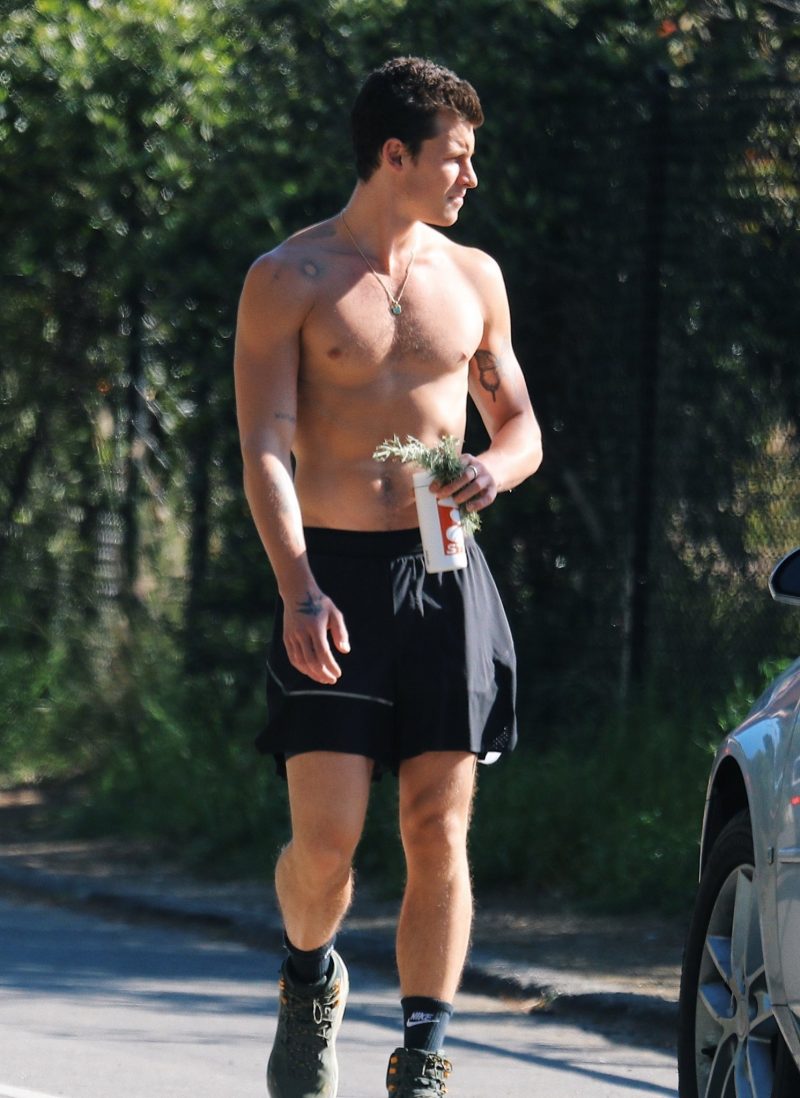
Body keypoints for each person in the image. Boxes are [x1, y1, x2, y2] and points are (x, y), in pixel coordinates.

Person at [233, 55, 542, 1098]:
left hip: (444, 571)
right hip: (332, 578)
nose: (470, 178)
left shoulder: (474, 278)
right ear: (394, 155)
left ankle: (422, 1054)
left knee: (435, 827)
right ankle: (308, 975)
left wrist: (493, 470)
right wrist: (296, 586)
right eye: (455, 158)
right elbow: (264, 448)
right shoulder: (290, 279)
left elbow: (518, 425)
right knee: (324, 846)